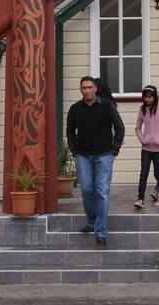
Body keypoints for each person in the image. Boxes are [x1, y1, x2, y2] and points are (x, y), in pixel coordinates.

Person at [66, 76, 125, 246]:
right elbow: (70, 131)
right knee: (86, 190)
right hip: (83, 155)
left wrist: (115, 149)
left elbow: (119, 127)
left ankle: (100, 231)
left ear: (95, 89)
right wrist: (74, 150)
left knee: (102, 191)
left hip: (104, 155)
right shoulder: (75, 109)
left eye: (90, 87)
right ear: (80, 90)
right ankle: (92, 222)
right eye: (84, 88)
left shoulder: (107, 106)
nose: (87, 90)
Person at [133, 85, 159, 208]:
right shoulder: (142, 109)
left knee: (158, 174)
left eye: (150, 97)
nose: (148, 100)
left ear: (155, 96)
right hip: (146, 148)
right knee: (143, 173)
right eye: (145, 97)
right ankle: (140, 199)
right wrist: (142, 139)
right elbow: (137, 128)